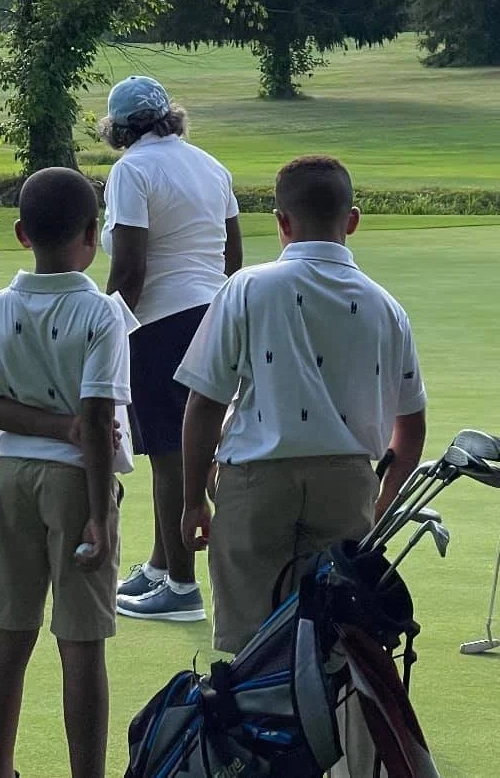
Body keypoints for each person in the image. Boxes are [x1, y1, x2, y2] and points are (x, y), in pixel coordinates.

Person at [179, 155, 428, 657]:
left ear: (282, 222)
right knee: (333, 641)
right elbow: (412, 425)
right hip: (347, 483)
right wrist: (382, 501)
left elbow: (204, 403)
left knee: (251, 646)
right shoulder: (387, 307)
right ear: (352, 220)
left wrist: (191, 501)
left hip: (257, 480)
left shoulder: (247, 287)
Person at [0, 167, 131, 778]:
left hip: (12, 475)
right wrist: (101, 512)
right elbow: (96, 415)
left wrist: (54, 427)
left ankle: (0, 770)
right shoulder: (102, 313)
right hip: (75, 482)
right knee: (81, 643)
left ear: (22, 233)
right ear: (92, 234)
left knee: (8, 634)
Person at [100, 75, 242, 623]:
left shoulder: (131, 170)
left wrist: (105, 330)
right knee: (186, 445)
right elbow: (232, 257)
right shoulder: (210, 165)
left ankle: (182, 587)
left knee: (168, 453)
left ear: (118, 129)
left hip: (159, 321)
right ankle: (162, 564)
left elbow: (129, 269)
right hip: (213, 313)